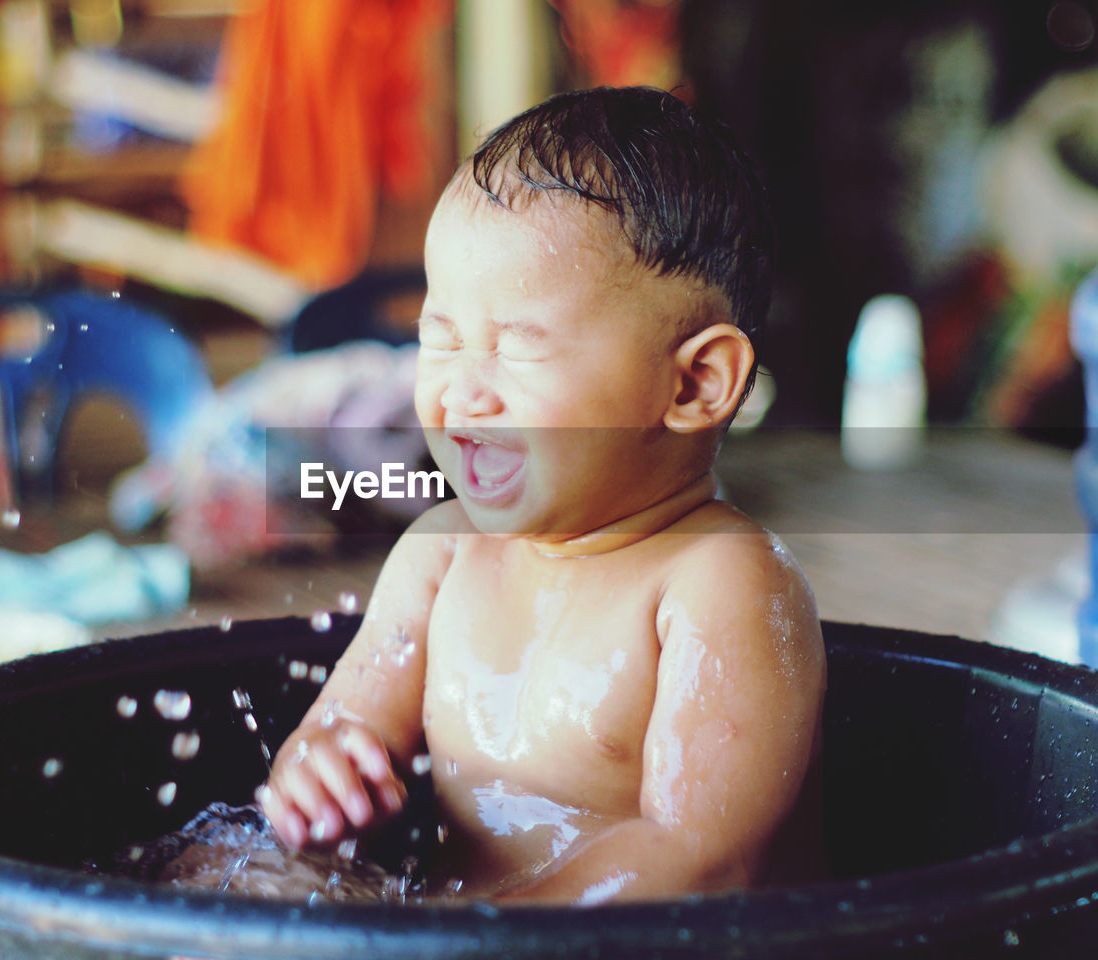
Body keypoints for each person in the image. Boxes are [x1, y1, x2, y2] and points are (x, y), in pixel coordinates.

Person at [257, 86, 826, 903]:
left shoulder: (721, 582)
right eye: (439, 340)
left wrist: (478, 932)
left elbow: (699, 860)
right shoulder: (440, 557)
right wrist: (320, 771)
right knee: (209, 874)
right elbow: (341, 727)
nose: (462, 392)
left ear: (697, 381)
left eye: (517, 350)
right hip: (468, 934)